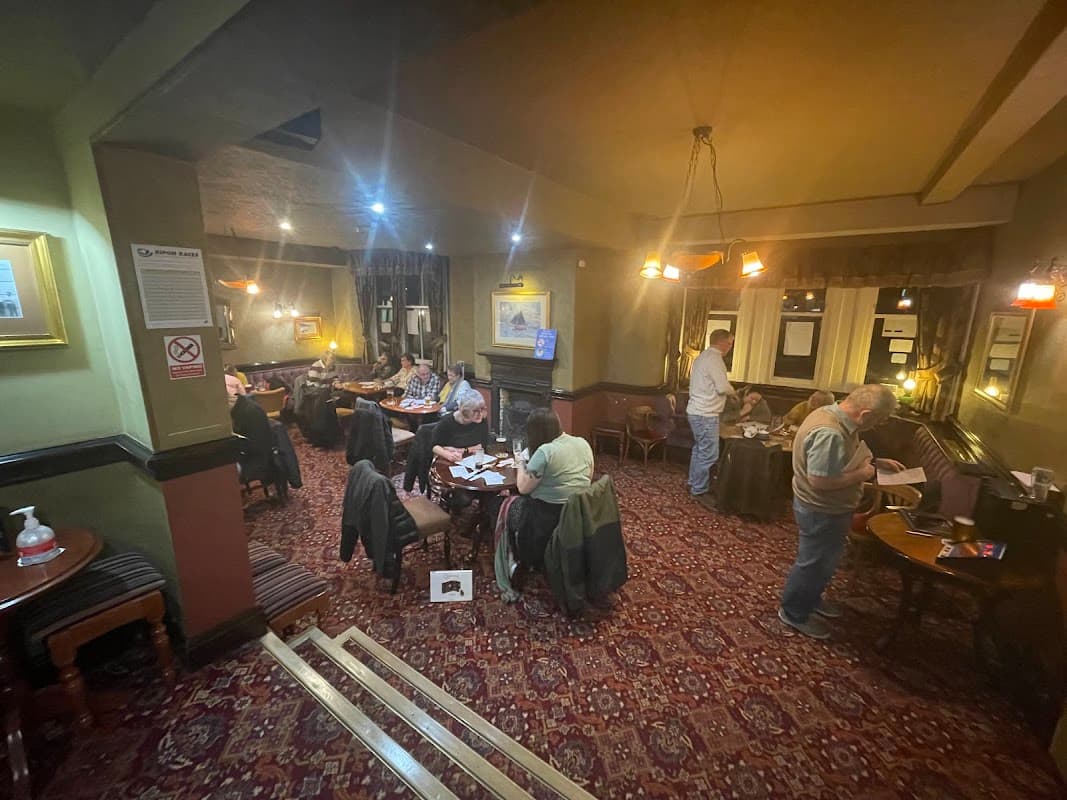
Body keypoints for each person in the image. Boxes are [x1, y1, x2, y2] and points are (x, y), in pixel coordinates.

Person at [778, 384, 903, 640]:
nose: (876, 425)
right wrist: (863, 474)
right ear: (865, 414)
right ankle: (793, 612)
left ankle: (810, 599)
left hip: (827, 507)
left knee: (824, 561)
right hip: (820, 508)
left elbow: (840, 460)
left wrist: (875, 463)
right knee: (812, 563)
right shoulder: (830, 432)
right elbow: (820, 481)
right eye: (878, 420)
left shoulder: (831, 411)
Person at [510, 408, 594, 565]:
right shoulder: (582, 442)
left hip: (547, 516)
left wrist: (520, 461)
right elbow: (588, 477)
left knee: (506, 506)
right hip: (579, 511)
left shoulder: (544, 451)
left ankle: (517, 556)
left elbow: (522, 488)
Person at [686, 329, 737, 505]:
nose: (731, 347)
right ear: (722, 343)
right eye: (730, 343)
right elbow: (723, 387)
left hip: (696, 412)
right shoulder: (715, 359)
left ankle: (693, 483)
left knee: (699, 450)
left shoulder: (702, 357)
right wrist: (734, 393)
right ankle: (699, 490)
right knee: (709, 454)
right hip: (705, 414)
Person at [432, 389, 491, 463]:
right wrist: (448, 454)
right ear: (464, 412)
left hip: (474, 460)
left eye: (482, 409)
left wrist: (463, 450)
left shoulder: (481, 419)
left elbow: (482, 445)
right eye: (475, 411)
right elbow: (434, 446)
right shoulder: (446, 422)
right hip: (450, 462)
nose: (480, 414)